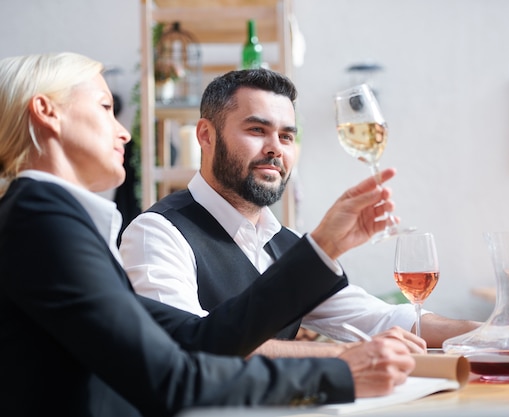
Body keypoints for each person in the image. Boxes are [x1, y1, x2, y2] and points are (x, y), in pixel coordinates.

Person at [0, 52, 424, 417]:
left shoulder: (46, 218)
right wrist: (341, 373)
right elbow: (170, 379)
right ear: (47, 111)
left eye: (286, 135)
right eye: (106, 107)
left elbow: (196, 340)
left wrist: (324, 246)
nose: (124, 132)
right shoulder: (41, 220)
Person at [120, 68, 480, 359]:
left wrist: (493, 331)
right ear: (206, 135)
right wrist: (346, 354)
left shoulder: (287, 245)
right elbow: (183, 347)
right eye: (257, 130)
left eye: (287, 137)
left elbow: (380, 319)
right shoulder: (158, 233)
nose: (275, 148)